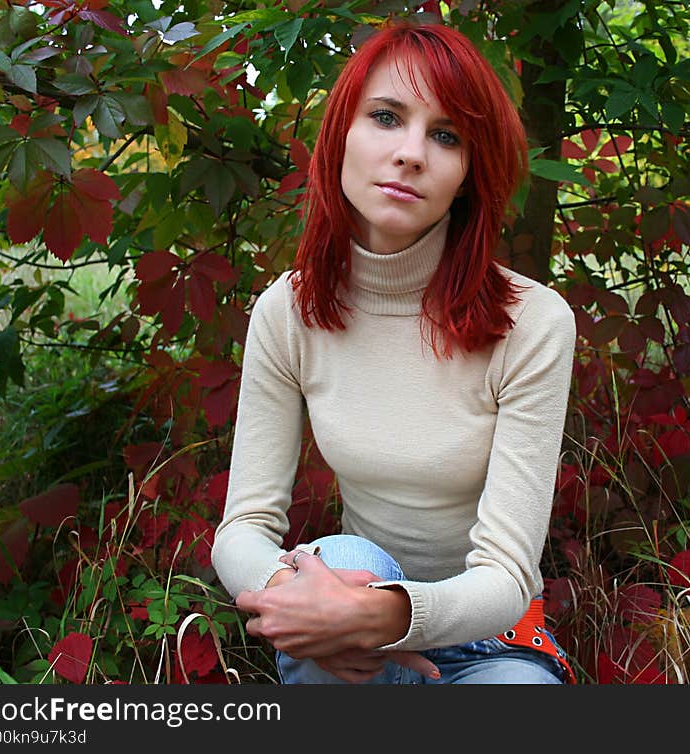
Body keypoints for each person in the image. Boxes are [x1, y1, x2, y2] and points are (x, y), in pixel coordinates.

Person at [211, 20, 577, 684]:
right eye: (386, 117)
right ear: (341, 136)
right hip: (346, 612)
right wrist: (307, 603)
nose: (411, 153)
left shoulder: (534, 325)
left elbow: (505, 572)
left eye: (446, 136)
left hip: (488, 632)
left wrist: (390, 617)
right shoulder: (287, 313)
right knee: (349, 559)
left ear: (467, 174)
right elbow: (242, 529)